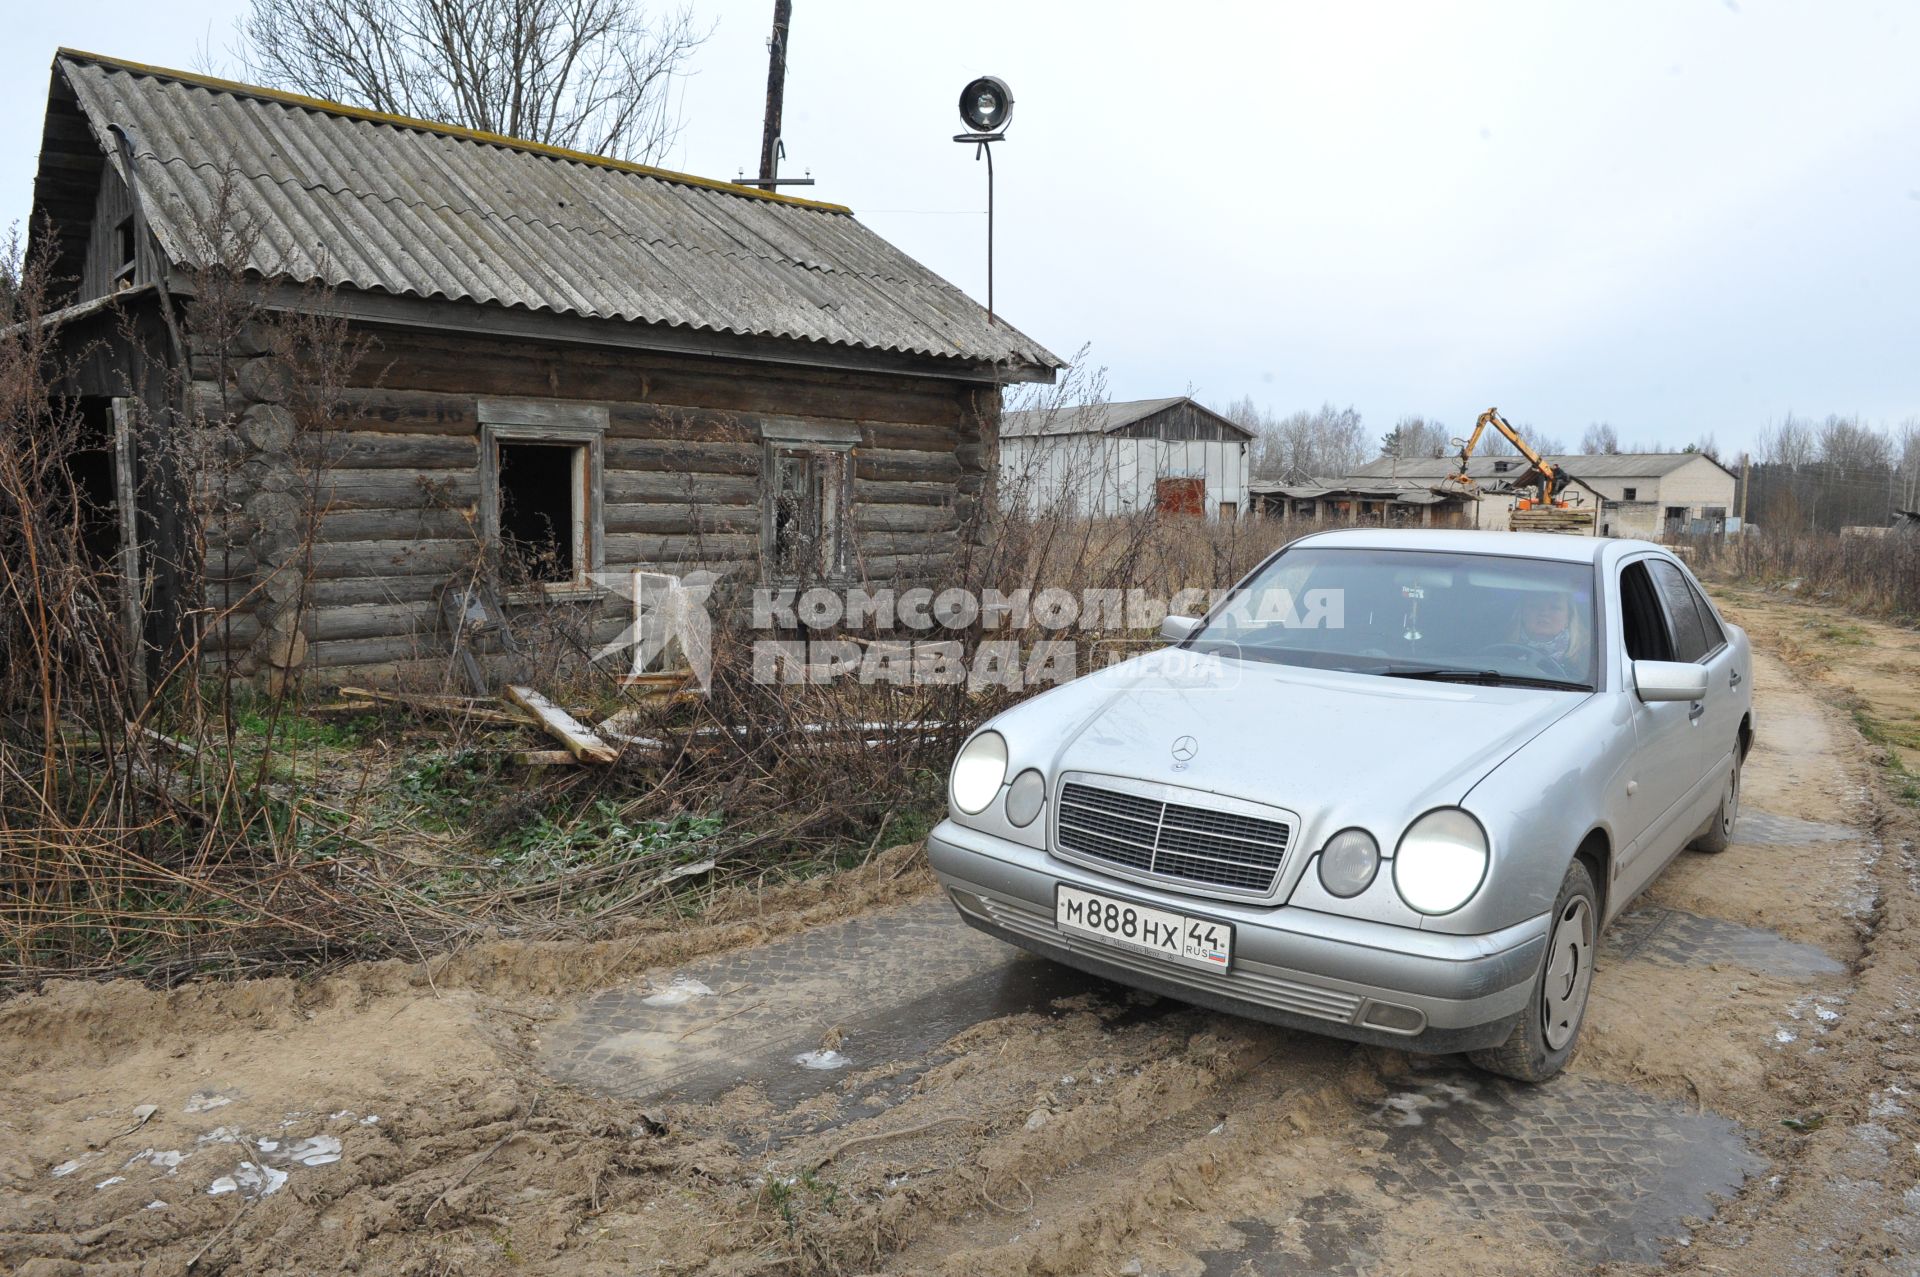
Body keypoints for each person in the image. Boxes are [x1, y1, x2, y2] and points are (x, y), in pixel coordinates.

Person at [1507, 589, 1587, 673]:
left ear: (1568, 618)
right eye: (1535, 606)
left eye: (1554, 608)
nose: (1544, 612)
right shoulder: (1503, 650)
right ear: (1522, 614)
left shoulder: (1587, 656)